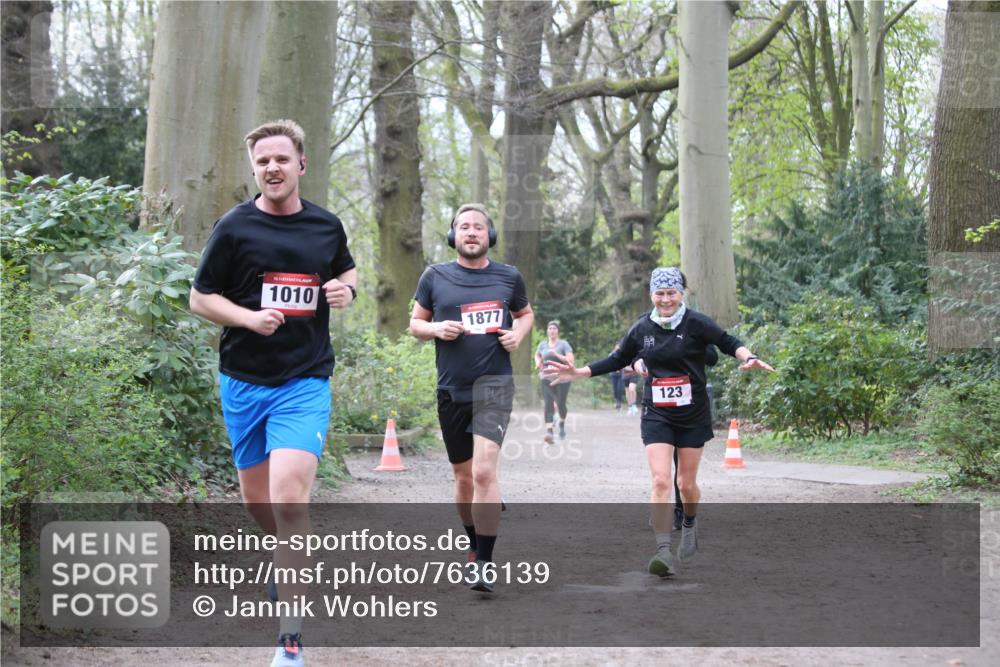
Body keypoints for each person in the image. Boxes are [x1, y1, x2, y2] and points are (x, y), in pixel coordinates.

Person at [190, 119, 357, 667]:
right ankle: (290, 555)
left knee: (289, 499)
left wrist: (344, 290)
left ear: (301, 165)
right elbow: (199, 298)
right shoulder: (234, 228)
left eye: (282, 159)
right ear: (254, 169)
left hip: (304, 381)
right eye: (263, 162)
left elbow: (346, 273)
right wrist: (247, 318)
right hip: (242, 380)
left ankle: (290, 638)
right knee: (257, 503)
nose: (272, 168)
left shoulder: (326, 227)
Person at [543, 267, 773, 577]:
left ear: (681, 294)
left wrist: (748, 357)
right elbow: (617, 359)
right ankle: (663, 551)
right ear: (652, 294)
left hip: (692, 413)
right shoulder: (642, 328)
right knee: (661, 480)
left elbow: (728, 342)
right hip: (657, 413)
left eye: (671, 293)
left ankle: (689, 524)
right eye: (660, 293)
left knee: (686, 484)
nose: (665, 299)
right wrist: (581, 371)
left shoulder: (696, 323)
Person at [409, 203, 534, 593]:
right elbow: (415, 323)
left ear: (489, 235)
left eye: (479, 227)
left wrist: (518, 333)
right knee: (463, 478)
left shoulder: (509, 277)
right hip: (451, 389)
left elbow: (526, 313)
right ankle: (471, 543)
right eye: (464, 227)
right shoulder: (435, 276)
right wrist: (435, 329)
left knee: (483, 473)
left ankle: (485, 561)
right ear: (453, 236)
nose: (472, 232)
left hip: (494, 386)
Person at [534, 320, 575, 442]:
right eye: (550, 328)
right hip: (546, 378)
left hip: (562, 379)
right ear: (547, 331)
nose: (552, 331)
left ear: (558, 331)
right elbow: (537, 355)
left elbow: (570, 360)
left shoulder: (563, 344)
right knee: (548, 403)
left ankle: (561, 423)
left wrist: (557, 355)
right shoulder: (542, 345)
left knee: (561, 404)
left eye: (554, 328)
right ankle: (549, 431)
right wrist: (538, 363)